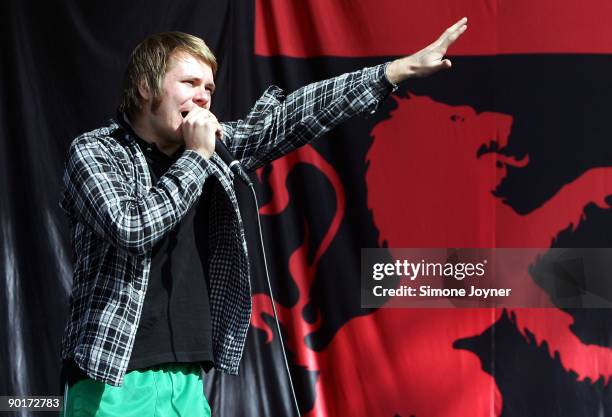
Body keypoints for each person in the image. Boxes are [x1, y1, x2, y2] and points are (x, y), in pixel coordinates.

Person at [59, 18, 467, 416]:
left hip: (186, 380)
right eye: (189, 84)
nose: (203, 98)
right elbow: (132, 227)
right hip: (112, 379)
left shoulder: (208, 151)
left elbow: (294, 115)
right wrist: (197, 157)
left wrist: (397, 70)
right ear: (145, 87)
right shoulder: (97, 152)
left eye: (209, 88)